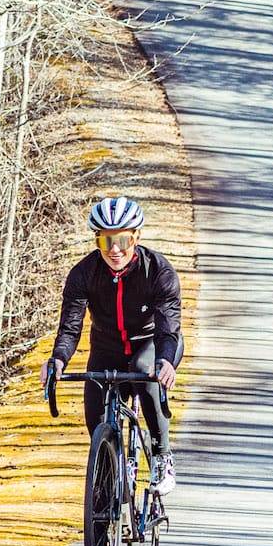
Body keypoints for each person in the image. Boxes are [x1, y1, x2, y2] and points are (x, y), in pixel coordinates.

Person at [40, 196, 183, 495]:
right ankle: (108, 485)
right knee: (96, 420)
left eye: (122, 240)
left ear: (137, 237)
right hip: (107, 347)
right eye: (106, 242)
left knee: (146, 373)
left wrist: (167, 361)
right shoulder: (83, 274)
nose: (114, 250)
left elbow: (169, 327)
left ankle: (161, 457)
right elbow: (70, 327)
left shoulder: (158, 271)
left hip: (152, 343)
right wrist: (57, 360)